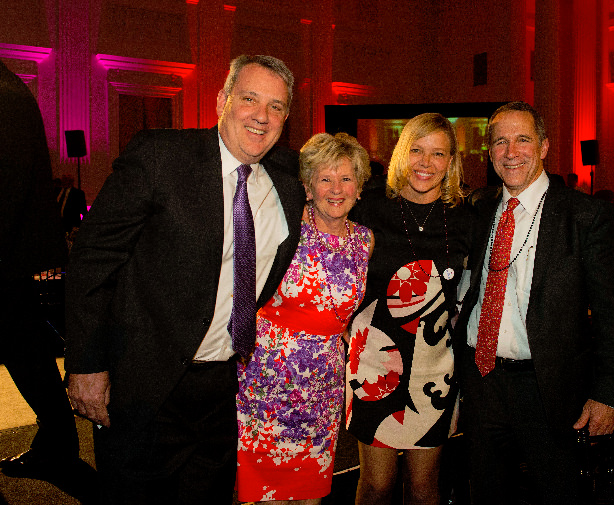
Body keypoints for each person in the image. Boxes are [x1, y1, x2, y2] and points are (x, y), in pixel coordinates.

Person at [64, 55, 306, 505]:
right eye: (250, 98)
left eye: (276, 106)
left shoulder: (288, 184)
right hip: (145, 384)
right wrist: (86, 363)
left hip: (221, 390)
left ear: (286, 119)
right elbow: (94, 258)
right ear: (222, 100)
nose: (261, 115)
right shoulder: (161, 157)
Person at [454, 101, 614, 504]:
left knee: (554, 492)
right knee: (484, 492)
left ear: (545, 146)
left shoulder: (584, 215)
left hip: (547, 387)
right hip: (481, 381)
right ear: (489, 151)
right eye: (500, 142)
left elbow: (612, 314)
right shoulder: (481, 209)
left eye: (522, 139)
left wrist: (608, 392)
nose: (510, 151)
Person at [236, 132, 374, 504]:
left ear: (359, 187)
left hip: (323, 384)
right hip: (268, 378)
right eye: (325, 178)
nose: (336, 188)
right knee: (264, 496)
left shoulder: (365, 240)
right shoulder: (286, 227)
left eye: (346, 178)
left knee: (310, 495)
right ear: (307, 186)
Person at [346, 113, 476, 505]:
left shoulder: (467, 219)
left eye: (438, 153)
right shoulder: (367, 210)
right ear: (402, 153)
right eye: (417, 150)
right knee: (377, 485)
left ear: (451, 161)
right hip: (374, 364)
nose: (426, 162)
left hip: (435, 371)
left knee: (423, 489)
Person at [0, 60, 82, 477]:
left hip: (7, 252)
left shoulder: (5, 92)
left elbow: (8, 185)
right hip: (14, 252)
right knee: (26, 349)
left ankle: (59, 442)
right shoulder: (10, 86)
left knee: (26, 351)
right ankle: (58, 442)